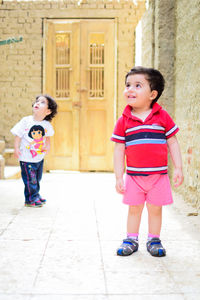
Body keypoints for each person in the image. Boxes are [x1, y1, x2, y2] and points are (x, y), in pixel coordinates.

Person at [111, 66, 183, 257]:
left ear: (152, 94)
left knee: (155, 209)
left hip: (158, 176)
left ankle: (154, 239)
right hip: (134, 176)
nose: (130, 89)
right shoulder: (124, 120)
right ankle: (131, 239)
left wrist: (178, 167)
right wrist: (119, 175)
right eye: (128, 85)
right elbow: (119, 149)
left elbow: (172, 142)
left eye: (137, 85)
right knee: (134, 209)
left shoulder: (162, 116)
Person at [11, 94, 57, 207]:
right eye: (37, 101)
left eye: (42, 102)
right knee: (30, 179)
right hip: (26, 158)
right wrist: (16, 148)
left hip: (38, 157)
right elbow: (18, 136)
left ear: (48, 111)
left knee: (37, 178)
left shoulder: (46, 125)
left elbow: (47, 137)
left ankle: (35, 194)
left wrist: (48, 146)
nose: (37, 103)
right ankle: (30, 199)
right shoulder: (26, 121)